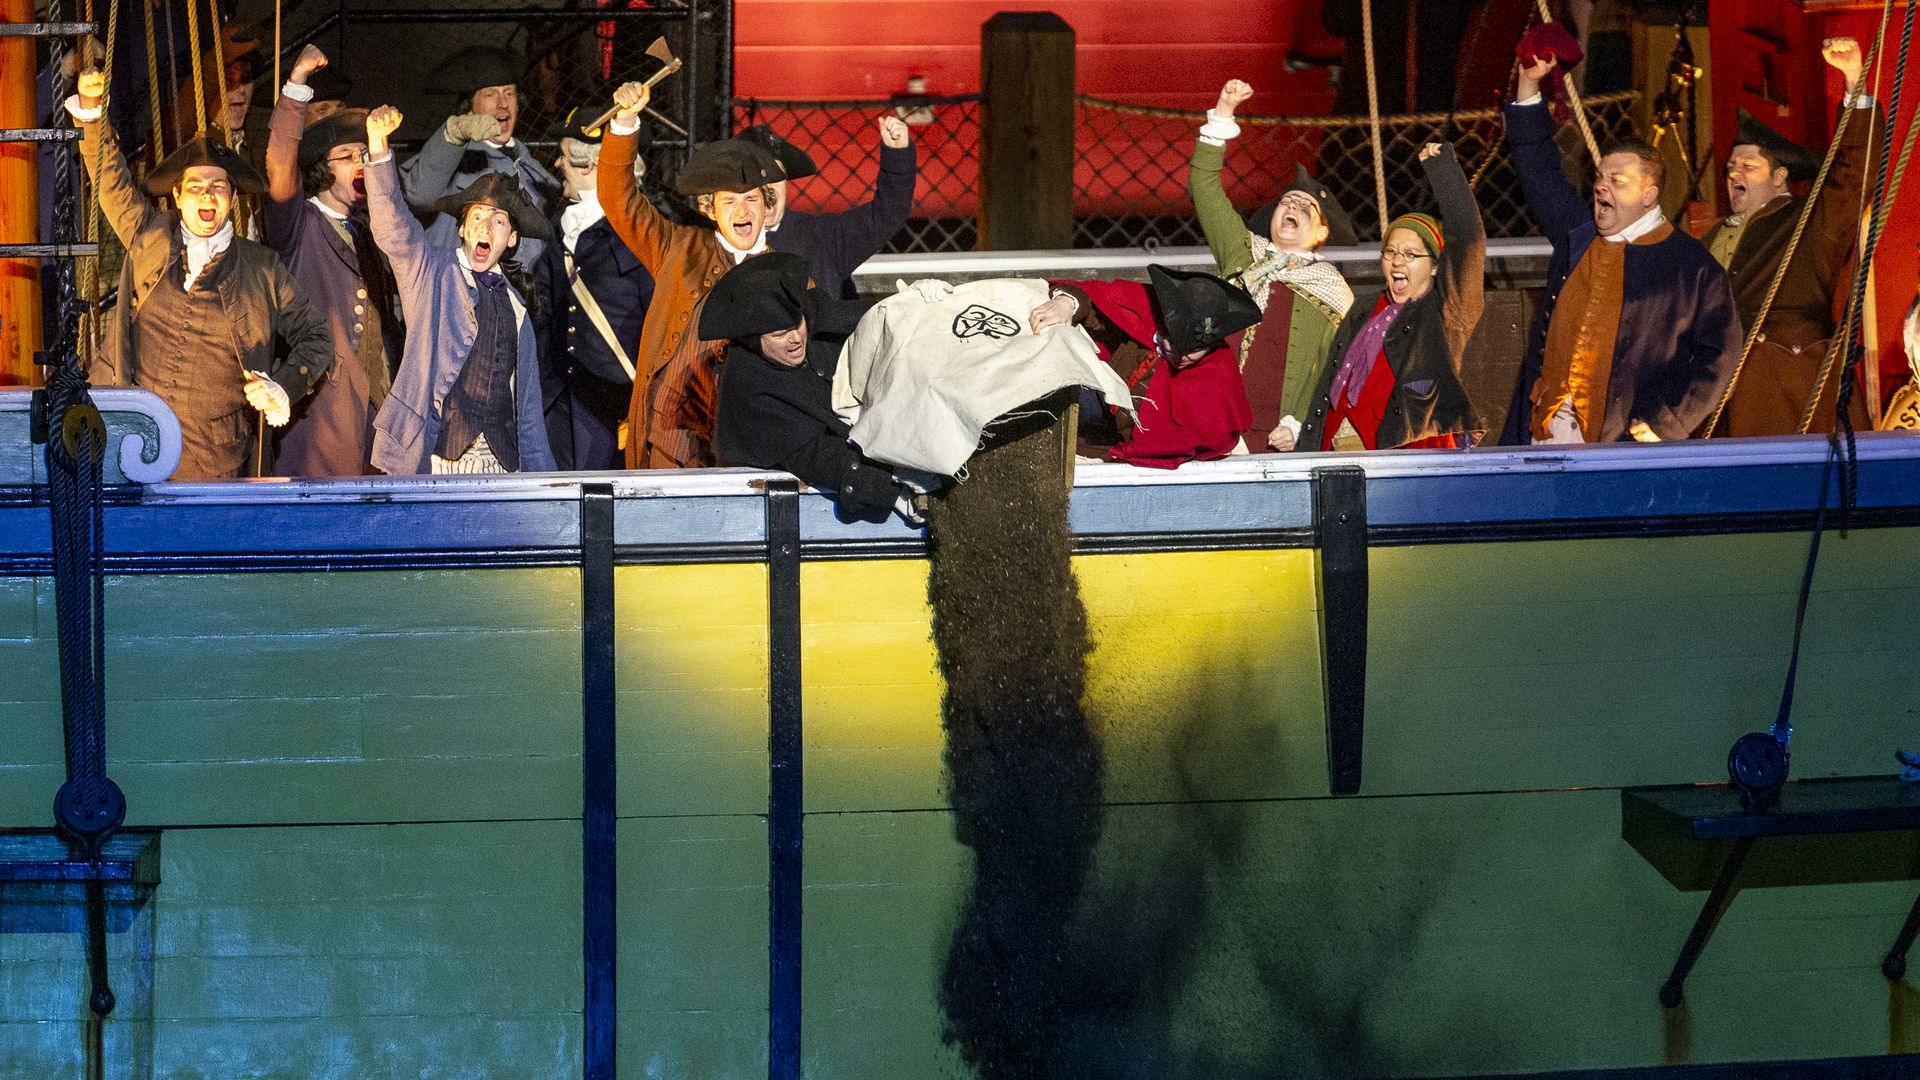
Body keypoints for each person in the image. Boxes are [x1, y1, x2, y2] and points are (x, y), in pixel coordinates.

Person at [66, 68, 331, 481]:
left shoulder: (263, 267)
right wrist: (91, 112)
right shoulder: (149, 234)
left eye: (219, 186)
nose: (207, 194)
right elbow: (111, 183)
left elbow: (317, 338)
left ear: (231, 198)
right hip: (129, 445)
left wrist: (283, 386)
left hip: (215, 462)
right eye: (196, 186)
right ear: (176, 195)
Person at [1499, 35, 1742, 445]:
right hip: (1545, 427)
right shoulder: (1579, 235)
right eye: (1599, 178)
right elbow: (1538, 169)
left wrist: (1671, 422)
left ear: (1649, 195)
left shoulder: (1690, 266)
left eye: (1617, 181)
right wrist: (1528, 88)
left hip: (1619, 439)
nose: (1601, 187)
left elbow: (1722, 353)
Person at [599, 79, 783, 468]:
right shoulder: (678, 248)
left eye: (751, 200)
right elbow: (619, 199)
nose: (742, 211)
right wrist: (625, 122)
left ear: (767, 208)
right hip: (668, 448)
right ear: (709, 208)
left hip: (743, 456)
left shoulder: (786, 276)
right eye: (729, 201)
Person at [364, 105, 556, 475]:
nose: (486, 228)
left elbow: (529, 412)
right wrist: (377, 145)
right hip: (433, 456)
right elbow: (393, 226)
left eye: (498, 221)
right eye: (478, 218)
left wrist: (546, 489)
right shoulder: (431, 272)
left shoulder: (517, 309)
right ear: (462, 229)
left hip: (500, 461)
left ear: (512, 238)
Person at [1704, 37, 1882, 436]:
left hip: (1789, 395)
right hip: (1720, 403)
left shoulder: (1809, 220)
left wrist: (1854, 80)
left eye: (1748, 165)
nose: (1734, 173)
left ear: (1781, 178)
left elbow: (1855, 173)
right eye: (1731, 166)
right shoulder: (1709, 239)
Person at [1189, 78, 1356, 452]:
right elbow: (1203, 185)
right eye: (1287, 201)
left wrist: (1300, 422)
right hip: (1210, 420)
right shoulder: (1243, 252)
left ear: (1322, 232)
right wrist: (1224, 113)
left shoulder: (1333, 290)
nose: (1292, 207)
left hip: (1272, 436)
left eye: (1305, 206)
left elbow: (1332, 365)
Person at [263, 44, 404, 476]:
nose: (360, 165)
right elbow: (281, 165)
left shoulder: (371, 230)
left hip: (378, 417)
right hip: (322, 421)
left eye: (365, 156)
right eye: (348, 157)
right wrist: (297, 84)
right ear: (324, 168)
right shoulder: (298, 224)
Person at [705, 252, 922, 523]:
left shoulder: (815, 321)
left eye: (796, 325)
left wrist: (914, 307)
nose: (795, 339)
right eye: (779, 335)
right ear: (754, 341)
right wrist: (889, 489)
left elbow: (872, 317)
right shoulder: (747, 385)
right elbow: (812, 453)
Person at [1296, 142, 1484, 452]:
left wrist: (1444, 173)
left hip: (1404, 448)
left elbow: (1468, 241)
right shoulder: (1366, 307)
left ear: (1435, 266)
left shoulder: (1445, 311)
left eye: (1411, 254)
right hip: (1337, 447)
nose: (1397, 261)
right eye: (1391, 252)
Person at [1030, 265, 1261, 468]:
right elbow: (1093, 299)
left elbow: (1204, 438)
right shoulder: (1143, 311)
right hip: (1095, 395)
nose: (1181, 356)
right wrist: (1066, 303)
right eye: (1175, 344)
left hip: (1114, 440)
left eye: (1194, 351)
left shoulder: (1217, 376)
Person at [537, 107, 655, 470]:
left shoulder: (638, 230)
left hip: (615, 402)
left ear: (589, 166)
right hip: (561, 397)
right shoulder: (556, 228)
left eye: (565, 156)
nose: (557, 164)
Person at [400, 46, 557, 270]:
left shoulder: (529, 165)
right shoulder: (454, 158)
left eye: (509, 93)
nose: (503, 103)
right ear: (470, 106)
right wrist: (452, 136)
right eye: (490, 94)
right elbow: (420, 194)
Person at [738, 119, 918, 299]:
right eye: (756, 179)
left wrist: (897, 156)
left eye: (775, 176)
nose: (767, 188)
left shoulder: (822, 237)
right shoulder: (717, 245)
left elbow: (887, 213)